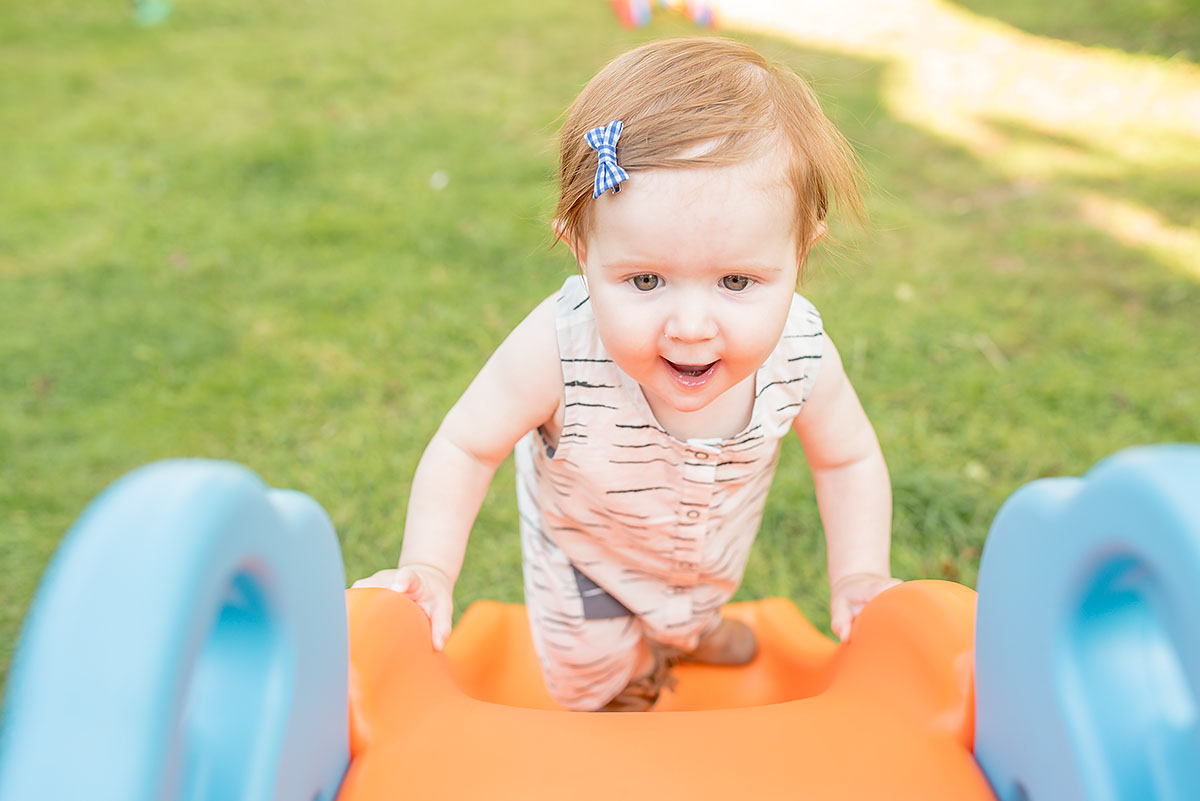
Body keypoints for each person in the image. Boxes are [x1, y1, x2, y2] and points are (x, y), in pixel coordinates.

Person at [354, 37, 899, 711]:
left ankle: (689, 632)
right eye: (646, 279)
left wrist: (860, 572)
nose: (692, 325)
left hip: (706, 559)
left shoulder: (801, 351)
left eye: (737, 280)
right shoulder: (557, 349)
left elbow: (847, 458)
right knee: (593, 680)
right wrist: (430, 565)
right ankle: (630, 676)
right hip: (588, 568)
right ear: (581, 252)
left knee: (695, 600)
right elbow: (467, 445)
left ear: (800, 251)